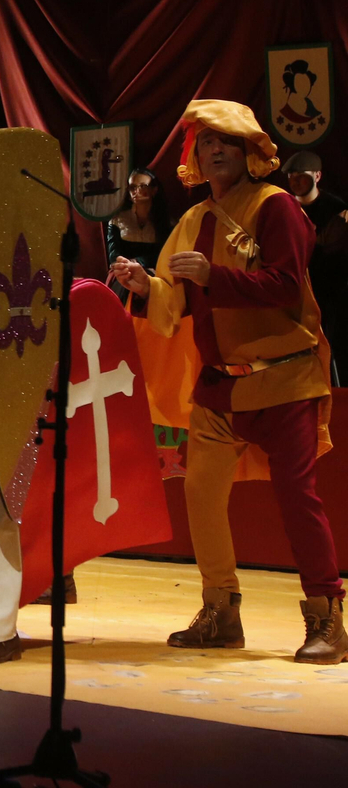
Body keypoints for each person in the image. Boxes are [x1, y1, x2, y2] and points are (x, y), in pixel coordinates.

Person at [113, 100, 344, 665]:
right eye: (205, 142)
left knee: (297, 499)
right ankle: (221, 609)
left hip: (284, 375)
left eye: (226, 141)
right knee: (200, 495)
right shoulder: (193, 220)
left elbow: (286, 284)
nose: (214, 149)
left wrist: (212, 276)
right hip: (221, 385)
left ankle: (327, 618)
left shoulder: (277, 207)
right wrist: (147, 286)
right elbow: (176, 299)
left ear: (249, 150)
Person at [283, 151, 348, 386]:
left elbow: (334, 251)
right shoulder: (284, 208)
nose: (295, 181)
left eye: (301, 175)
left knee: (329, 346)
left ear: (317, 176)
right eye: (291, 175)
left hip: (328, 291)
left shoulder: (335, 209)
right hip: (293, 289)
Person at [105, 168, 171, 303]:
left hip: (154, 274)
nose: (136, 191)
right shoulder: (118, 219)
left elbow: (164, 254)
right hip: (123, 272)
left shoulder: (165, 222)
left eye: (142, 186)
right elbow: (113, 254)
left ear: (154, 190)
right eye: (132, 187)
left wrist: (138, 262)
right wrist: (126, 265)